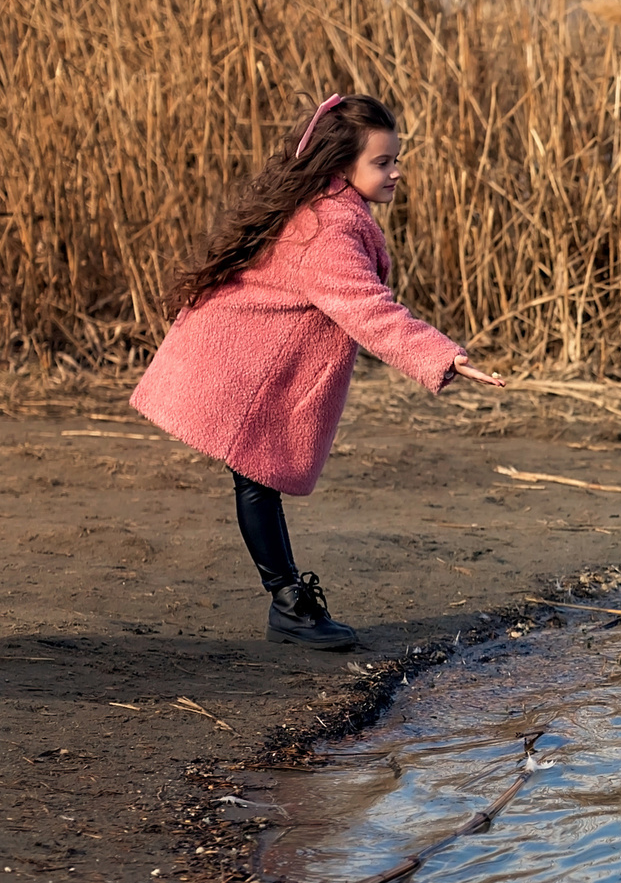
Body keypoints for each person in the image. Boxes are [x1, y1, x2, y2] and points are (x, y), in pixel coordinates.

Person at [132, 93, 506, 649]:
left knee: (255, 479)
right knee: (256, 480)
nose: (396, 171)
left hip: (247, 358)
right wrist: (438, 354)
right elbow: (368, 309)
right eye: (383, 161)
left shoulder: (327, 209)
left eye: (396, 158)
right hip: (244, 368)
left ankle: (289, 603)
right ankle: (288, 605)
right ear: (342, 167)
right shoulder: (329, 230)